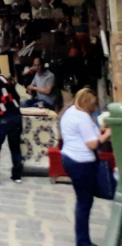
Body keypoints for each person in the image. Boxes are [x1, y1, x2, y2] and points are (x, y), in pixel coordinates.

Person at [60, 88, 112, 246]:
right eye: (94, 105)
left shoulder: (70, 111)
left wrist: (99, 131)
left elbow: (86, 134)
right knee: (84, 202)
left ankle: (82, 239)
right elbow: (92, 143)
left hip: (69, 157)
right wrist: (108, 134)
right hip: (82, 162)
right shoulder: (82, 117)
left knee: (83, 200)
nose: (96, 108)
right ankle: (83, 241)